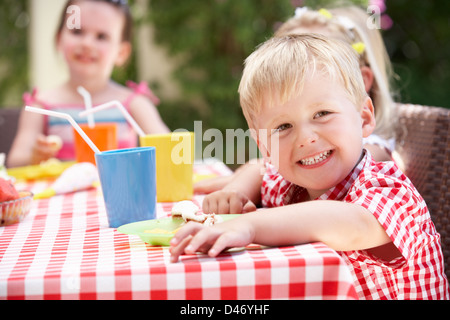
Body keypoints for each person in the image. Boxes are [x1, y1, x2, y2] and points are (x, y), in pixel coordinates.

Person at [170, 34, 449, 300]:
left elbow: (352, 223)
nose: (306, 138)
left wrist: (250, 225)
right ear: (264, 145)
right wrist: (235, 192)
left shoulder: (389, 188)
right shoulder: (290, 185)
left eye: (322, 113)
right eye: (283, 126)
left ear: (364, 118)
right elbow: (260, 171)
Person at [193, 6, 398, 194]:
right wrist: (234, 188)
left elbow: (347, 215)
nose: (298, 70)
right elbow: (262, 170)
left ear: (362, 81)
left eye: (322, 114)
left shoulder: (370, 157)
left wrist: (252, 220)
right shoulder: (307, 155)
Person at [7, 0, 170, 167]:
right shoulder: (41, 106)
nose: (87, 43)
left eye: (101, 36)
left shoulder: (134, 104)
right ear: (59, 40)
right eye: (77, 32)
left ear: (121, 52)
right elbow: (15, 161)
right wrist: (35, 157)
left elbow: (169, 152)